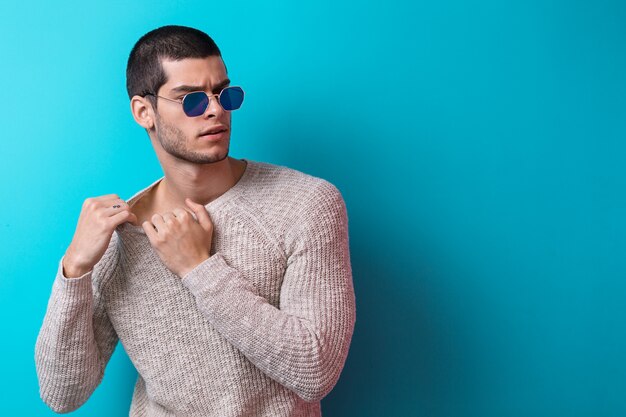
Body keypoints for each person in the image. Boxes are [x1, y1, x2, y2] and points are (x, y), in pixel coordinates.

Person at [34, 25, 356, 416]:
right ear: (143, 112)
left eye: (224, 93)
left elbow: (316, 370)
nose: (215, 109)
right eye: (190, 99)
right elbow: (62, 392)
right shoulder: (117, 236)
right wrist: (74, 270)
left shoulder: (306, 205)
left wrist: (198, 268)